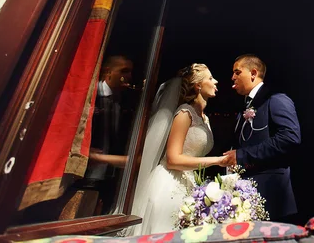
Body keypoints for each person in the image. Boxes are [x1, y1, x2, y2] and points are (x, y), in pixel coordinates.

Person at [129, 63, 226, 234]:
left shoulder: (204, 119)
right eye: (210, 78)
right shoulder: (184, 113)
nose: (216, 82)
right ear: (198, 85)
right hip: (169, 183)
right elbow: (173, 159)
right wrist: (217, 161)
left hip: (189, 183)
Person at [223, 54, 301, 222]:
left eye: (237, 72)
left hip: (272, 194)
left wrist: (242, 155)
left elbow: (290, 137)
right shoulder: (244, 107)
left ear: (253, 73)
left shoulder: (276, 99)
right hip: (247, 196)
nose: (232, 77)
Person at [82, 55, 134, 213]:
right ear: (108, 72)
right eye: (124, 71)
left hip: (110, 173)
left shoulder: (127, 100)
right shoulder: (91, 95)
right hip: (87, 172)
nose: (129, 76)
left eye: (131, 72)